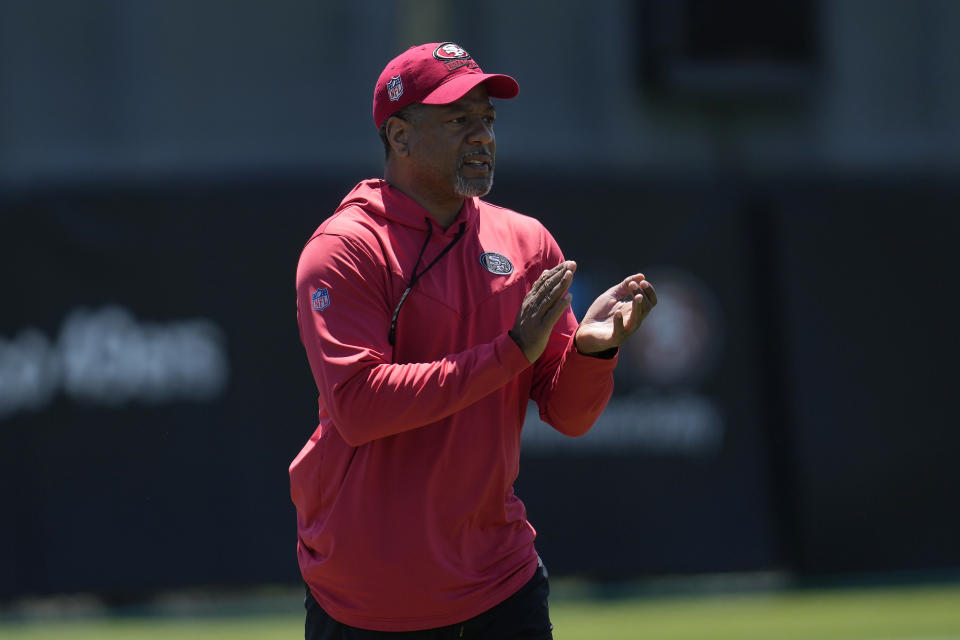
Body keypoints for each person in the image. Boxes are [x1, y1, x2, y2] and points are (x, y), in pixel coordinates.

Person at [290, 42, 657, 639]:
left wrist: (593, 353)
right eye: (458, 119)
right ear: (400, 137)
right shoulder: (345, 249)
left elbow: (567, 414)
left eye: (487, 119)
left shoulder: (526, 241)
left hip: (499, 580)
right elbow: (358, 406)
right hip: (369, 597)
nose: (482, 135)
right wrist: (509, 351)